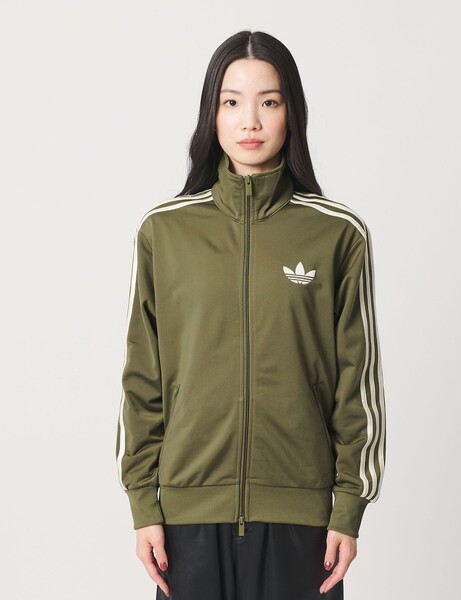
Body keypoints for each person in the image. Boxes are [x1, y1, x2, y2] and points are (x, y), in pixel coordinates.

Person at [115, 30, 386, 600]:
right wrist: (144, 504)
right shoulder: (164, 232)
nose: (251, 121)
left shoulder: (337, 234)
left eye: (269, 101)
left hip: (302, 518)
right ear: (211, 114)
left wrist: (348, 508)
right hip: (187, 517)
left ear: (292, 113)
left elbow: (357, 385)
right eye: (232, 101)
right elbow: (142, 382)